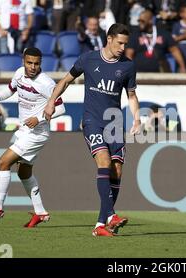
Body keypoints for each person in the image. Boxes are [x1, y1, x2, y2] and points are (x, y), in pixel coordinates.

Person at [43, 23, 141, 237]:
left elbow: (131, 96)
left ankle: (100, 225)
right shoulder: (88, 59)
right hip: (92, 121)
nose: (123, 48)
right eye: (120, 43)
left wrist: (137, 118)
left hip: (115, 123)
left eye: (126, 43)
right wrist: (51, 102)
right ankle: (111, 215)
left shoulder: (128, 66)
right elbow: (66, 81)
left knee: (117, 170)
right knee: (104, 162)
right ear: (109, 38)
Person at [0, 47, 66, 228]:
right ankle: (41, 212)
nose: (33, 67)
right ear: (23, 61)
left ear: (40, 63)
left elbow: (61, 108)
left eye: (36, 63)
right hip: (25, 131)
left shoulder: (47, 83)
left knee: (3, 162)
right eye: (29, 63)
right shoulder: (19, 74)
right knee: (23, 173)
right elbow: (10, 90)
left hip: (38, 133)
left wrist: (40, 118)